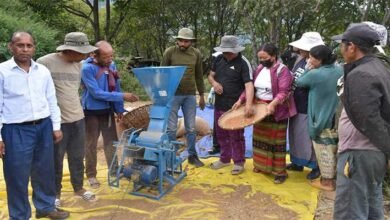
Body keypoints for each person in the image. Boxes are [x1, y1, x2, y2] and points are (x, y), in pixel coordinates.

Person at [0, 32, 69, 219]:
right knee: (17, 175)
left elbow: (51, 99)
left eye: (29, 45)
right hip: (15, 130)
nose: (25, 49)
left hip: (43, 126)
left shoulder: (42, 71)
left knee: (44, 170)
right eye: (20, 45)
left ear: (34, 48)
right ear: (11, 47)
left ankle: (45, 207)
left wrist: (56, 126)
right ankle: (20, 215)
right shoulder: (2, 71)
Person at [331, 23, 390, 220]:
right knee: (371, 205)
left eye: (342, 44)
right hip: (371, 154)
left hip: (358, 154)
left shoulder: (361, 74)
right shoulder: (378, 67)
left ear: (352, 47)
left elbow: (368, 119)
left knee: (350, 210)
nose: (341, 49)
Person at [37, 32, 98, 207]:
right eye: (82, 52)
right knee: (55, 159)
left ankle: (78, 188)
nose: (85, 55)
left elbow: (75, 90)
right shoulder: (44, 63)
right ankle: (55, 192)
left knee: (77, 156)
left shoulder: (79, 65)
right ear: (70, 49)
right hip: (56, 122)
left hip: (78, 118)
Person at [81, 40, 139, 188]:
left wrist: (119, 108)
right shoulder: (87, 68)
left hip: (107, 111)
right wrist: (122, 97)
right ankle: (91, 175)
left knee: (111, 142)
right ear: (95, 55)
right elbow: (96, 93)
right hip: (91, 112)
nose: (110, 59)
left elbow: (116, 87)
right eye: (106, 57)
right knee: (91, 144)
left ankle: (114, 171)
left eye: (111, 56)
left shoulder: (111, 66)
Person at [238, 43, 295, 183]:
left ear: (273, 57)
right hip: (260, 110)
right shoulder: (258, 69)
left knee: (276, 142)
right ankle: (261, 166)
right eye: (260, 58)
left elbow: (284, 92)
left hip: (277, 110)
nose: (262, 61)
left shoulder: (283, 71)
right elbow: (250, 88)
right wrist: (241, 100)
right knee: (260, 140)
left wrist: (273, 104)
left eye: (264, 58)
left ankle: (280, 172)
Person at [295, 45, 342, 190]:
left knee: (324, 149)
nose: (309, 60)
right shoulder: (340, 69)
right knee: (335, 148)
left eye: (311, 58)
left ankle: (328, 182)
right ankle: (334, 178)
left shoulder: (316, 74)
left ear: (320, 59)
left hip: (322, 117)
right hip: (337, 116)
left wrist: (308, 69)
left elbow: (299, 82)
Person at [208, 35, 254, 175]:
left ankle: (239, 162)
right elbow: (210, 75)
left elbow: (249, 85)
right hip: (220, 103)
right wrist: (214, 84)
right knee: (221, 133)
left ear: (236, 50)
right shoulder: (218, 59)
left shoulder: (243, 62)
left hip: (236, 106)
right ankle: (224, 158)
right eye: (224, 51)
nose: (226, 54)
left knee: (236, 134)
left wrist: (249, 104)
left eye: (229, 52)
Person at [161, 28, 205, 167]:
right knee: (171, 128)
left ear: (191, 42)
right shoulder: (170, 52)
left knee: (191, 127)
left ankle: (192, 155)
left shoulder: (196, 54)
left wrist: (202, 95)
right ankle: (171, 156)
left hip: (190, 95)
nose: (183, 43)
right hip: (173, 95)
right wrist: (162, 94)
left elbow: (199, 75)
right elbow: (162, 73)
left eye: (186, 41)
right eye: (180, 40)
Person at [287, 32, 324, 180]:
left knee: (308, 136)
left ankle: (316, 166)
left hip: (308, 105)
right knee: (296, 134)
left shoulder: (318, 64)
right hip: (296, 103)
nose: (300, 51)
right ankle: (297, 161)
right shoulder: (300, 60)